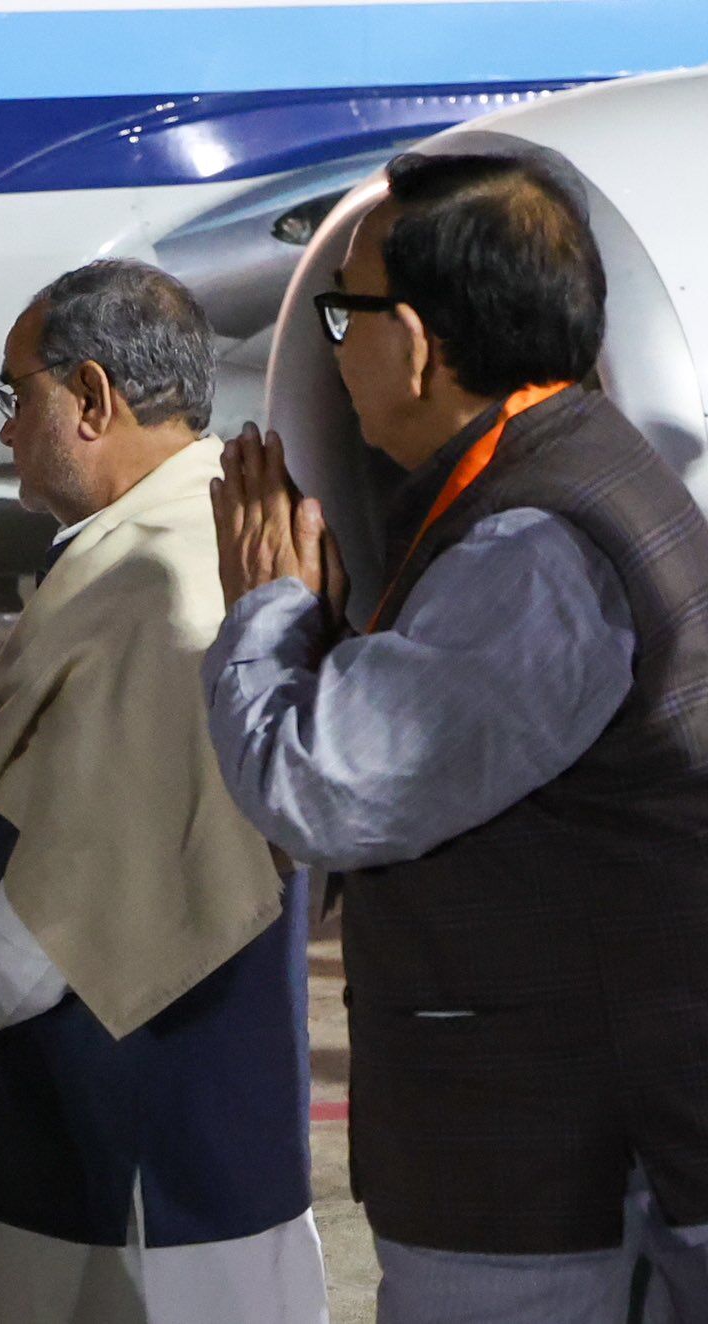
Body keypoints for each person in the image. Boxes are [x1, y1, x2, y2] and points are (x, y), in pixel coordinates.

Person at [205, 152, 708, 1320]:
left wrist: (266, 607)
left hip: (553, 1173)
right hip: (570, 1143)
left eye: (343, 313)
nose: (333, 350)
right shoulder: (575, 464)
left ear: (418, 343)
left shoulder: (527, 547)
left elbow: (317, 786)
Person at [0, 260, 327, 1323]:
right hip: (138, 1124)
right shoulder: (187, 538)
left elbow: (63, 912)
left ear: (89, 396)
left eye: (12, 393)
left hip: (128, 1154)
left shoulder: (160, 580)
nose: (4, 429)